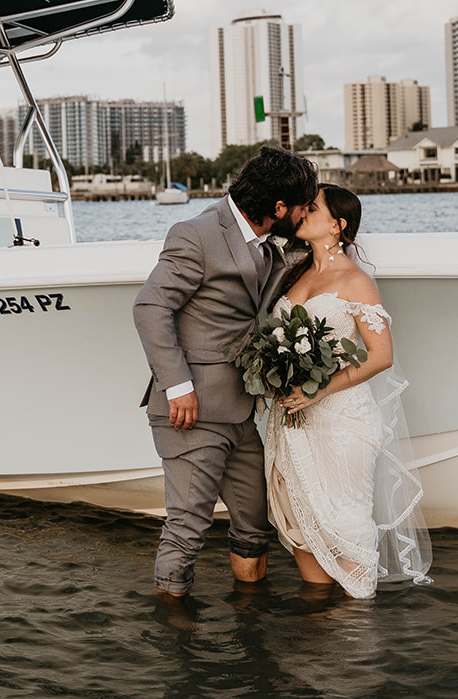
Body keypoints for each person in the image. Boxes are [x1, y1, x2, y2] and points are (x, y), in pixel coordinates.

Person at [133, 144, 319, 598]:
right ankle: (174, 648)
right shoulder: (195, 234)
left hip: (242, 414)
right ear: (278, 208)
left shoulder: (270, 243)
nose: (304, 214)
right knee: (187, 529)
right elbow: (150, 307)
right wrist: (178, 387)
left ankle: (249, 629)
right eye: (302, 207)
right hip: (190, 412)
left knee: (255, 528)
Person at [265, 183, 431, 596]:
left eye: (314, 207)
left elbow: (380, 355)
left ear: (338, 225)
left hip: (341, 421)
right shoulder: (296, 272)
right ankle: (323, 627)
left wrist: (317, 392)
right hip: (292, 417)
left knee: (345, 527)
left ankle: (357, 635)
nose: (303, 212)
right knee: (299, 524)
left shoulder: (355, 281)